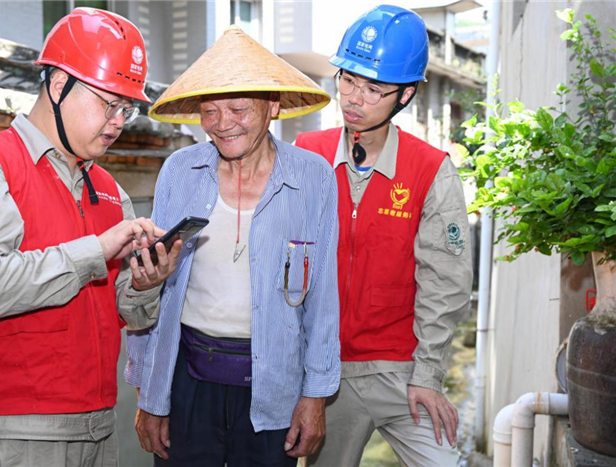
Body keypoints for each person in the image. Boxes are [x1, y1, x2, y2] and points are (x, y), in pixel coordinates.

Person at [0, 8, 181, 467]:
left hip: (99, 425)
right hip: (14, 431)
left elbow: (131, 315)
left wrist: (147, 283)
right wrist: (96, 251)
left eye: (127, 108)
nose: (119, 121)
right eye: (109, 103)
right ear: (59, 84)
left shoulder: (107, 187)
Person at [125, 26, 340, 467]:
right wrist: (152, 395)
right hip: (188, 379)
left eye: (238, 108)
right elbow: (161, 295)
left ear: (272, 107)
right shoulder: (179, 171)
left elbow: (322, 297)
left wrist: (315, 395)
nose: (223, 124)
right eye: (210, 111)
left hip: (275, 384)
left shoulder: (313, 177)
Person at [295, 5, 473, 466]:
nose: (353, 97)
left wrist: (429, 374)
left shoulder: (430, 170)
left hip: (401, 371)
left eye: (373, 88)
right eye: (348, 79)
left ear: (405, 95)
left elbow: (446, 281)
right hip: (323, 375)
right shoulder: (306, 156)